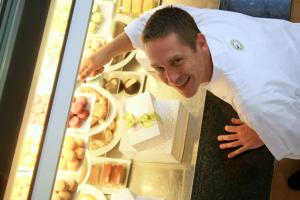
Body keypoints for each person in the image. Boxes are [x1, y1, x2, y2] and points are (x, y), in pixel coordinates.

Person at [79, 5, 300, 188]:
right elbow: (150, 22)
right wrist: (103, 54)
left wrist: (262, 131)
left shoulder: (255, 104)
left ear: (201, 43)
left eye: (176, 61)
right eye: (159, 68)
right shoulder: (190, 25)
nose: (172, 78)